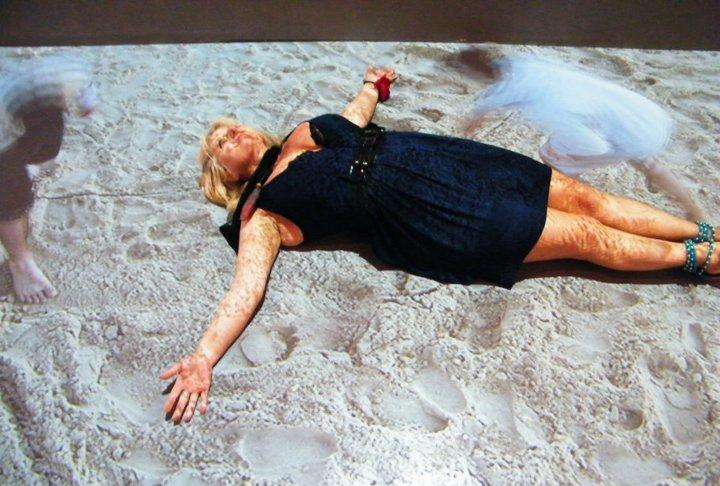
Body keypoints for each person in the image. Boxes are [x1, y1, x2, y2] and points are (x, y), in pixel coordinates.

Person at [160, 65, 717, 424]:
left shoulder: (304, 133)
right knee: (582, 236)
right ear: (222, 176)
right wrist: (203, 358)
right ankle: (699, 259)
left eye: (230, 126)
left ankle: (701, 233)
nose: (231, 133)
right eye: (219, 143)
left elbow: (354, 118)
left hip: (448, 160)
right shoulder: (262, 213)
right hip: (429, 211)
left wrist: (373, 86)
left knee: (588, 200)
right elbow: (246, 289)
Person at [461, 54, 703, 219]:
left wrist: (565, 158)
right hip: (645, 118)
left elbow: (594, 146)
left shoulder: (546, 107)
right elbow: (503, 92)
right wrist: (479, 113)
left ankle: (592, 207)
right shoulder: (526, 66)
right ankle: (694, 210)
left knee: (554, 160)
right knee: (649, 164)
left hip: (621, 138)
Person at [0, 56, 98, 303]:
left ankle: (24, 159)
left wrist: (87, 101)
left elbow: (83, 79)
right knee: (11, 197)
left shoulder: (62, 74)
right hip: (7, 120)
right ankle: (20, 262)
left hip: (33, 101)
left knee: (47, 148)